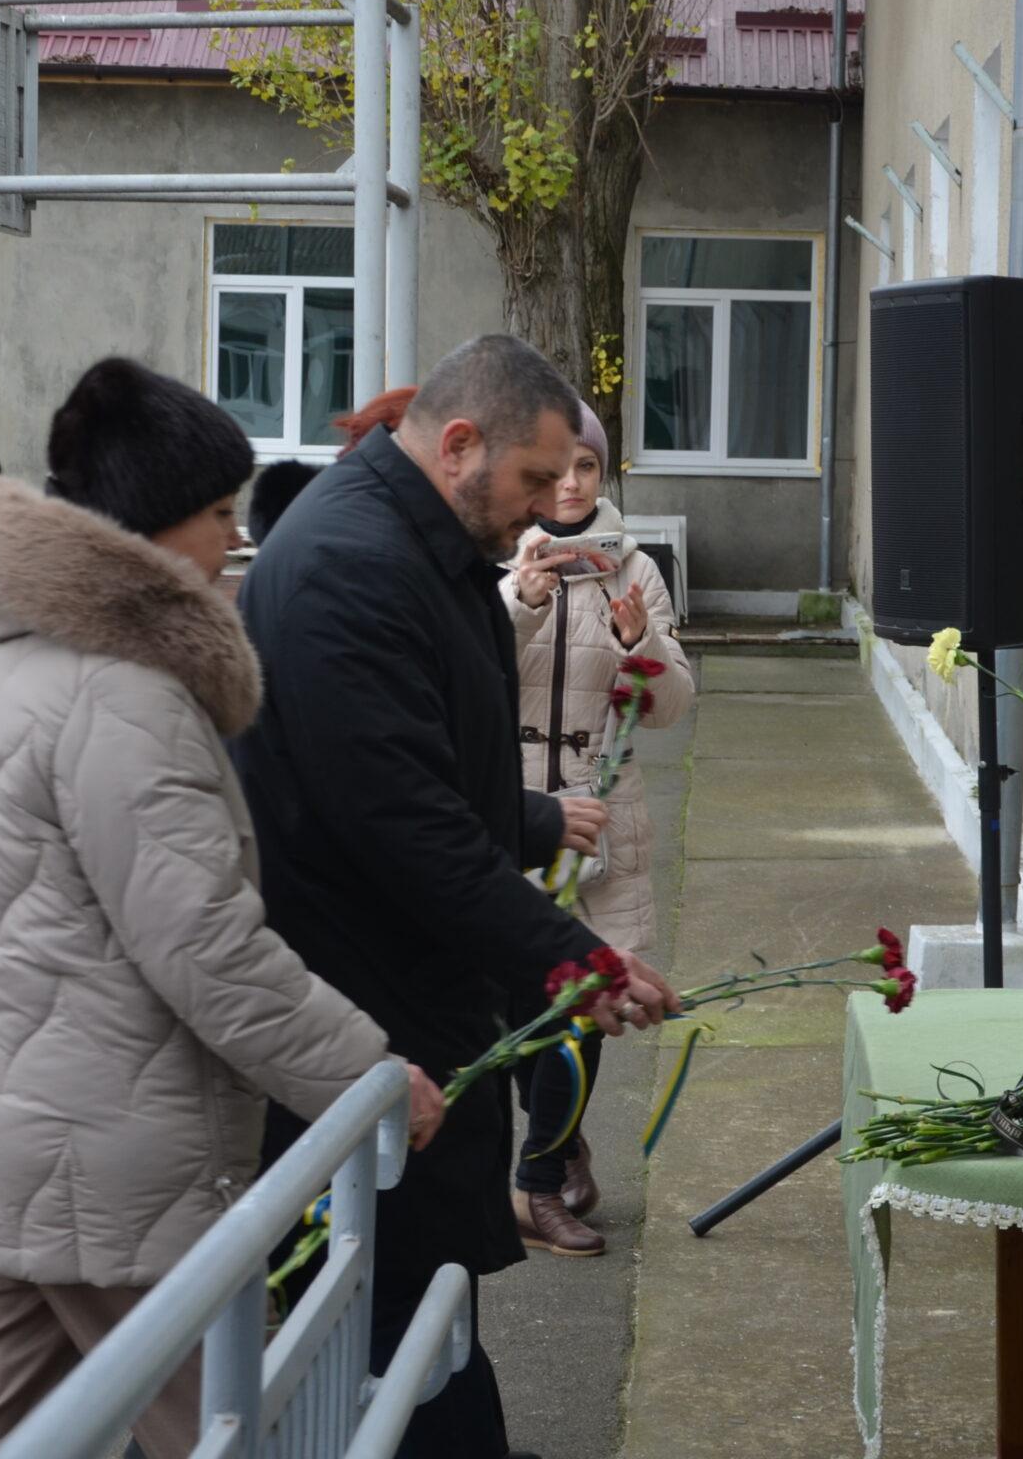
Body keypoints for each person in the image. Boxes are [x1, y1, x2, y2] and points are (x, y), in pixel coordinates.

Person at [0, 360, 444, 1459]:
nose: (232, 540)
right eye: (214, 514)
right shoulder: (120, 693)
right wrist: (365, 1075)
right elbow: (206, 945)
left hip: (14, 1127)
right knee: (235, 1423)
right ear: (152, 529)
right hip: (109, 1160)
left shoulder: (20, 652)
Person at [236, 334, 681, 1459]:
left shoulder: (411, 545)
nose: (553, 500)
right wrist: (576, 961)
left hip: (413, 1006)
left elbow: (458, 788)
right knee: (397, 1323)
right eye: (536, 478)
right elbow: (409, 829)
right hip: (367, 1019)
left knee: (417, 1316)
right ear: (458, 444)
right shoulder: (350, 564)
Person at [500, 407, 692, 1257]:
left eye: (588, 465)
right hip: (504, 809)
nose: (572, 483)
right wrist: (519, 601)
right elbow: (459, 671)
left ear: (604, 474)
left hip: (599, 814)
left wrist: (637, 641)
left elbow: (671, 707)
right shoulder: (501, 554)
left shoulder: (639, 570)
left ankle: (537, 1183)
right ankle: (560, 1136)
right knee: (507, 1007)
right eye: (558, 466)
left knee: (581, 1007)